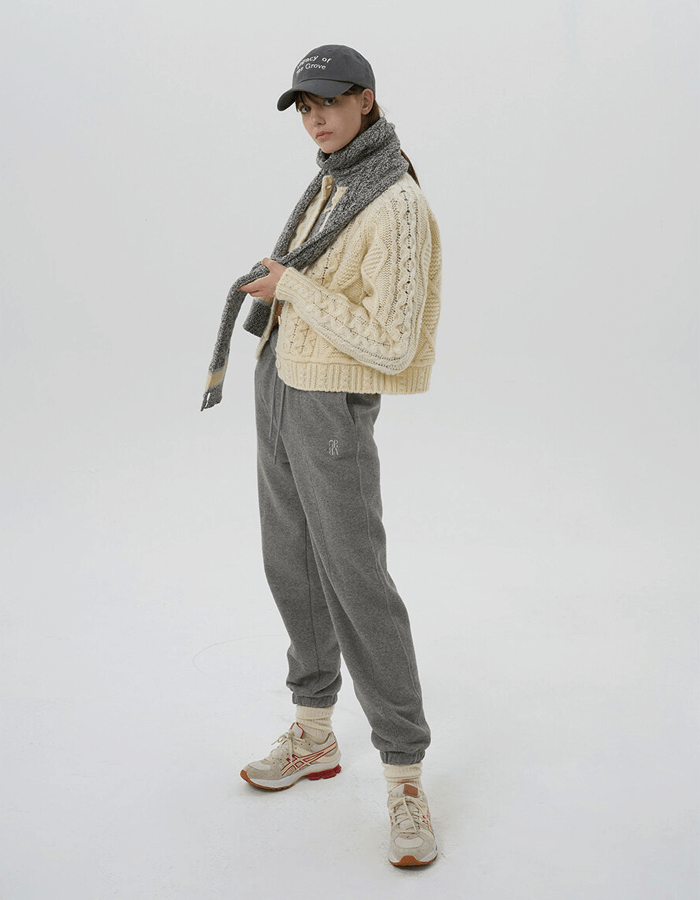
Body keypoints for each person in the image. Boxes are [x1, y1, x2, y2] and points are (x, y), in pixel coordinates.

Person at [203, 44, 441, 867]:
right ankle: (313, 732)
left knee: (356, 581)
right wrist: (286, 292)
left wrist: (292, 287)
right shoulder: (336, 180)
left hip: (329, 405)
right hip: (281, 381)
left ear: (366, 99)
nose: (315, 119)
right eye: (304, 108)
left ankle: (405, 777)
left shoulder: (395, 200)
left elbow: (392, 339)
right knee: (292, 565)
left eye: (329, 103)